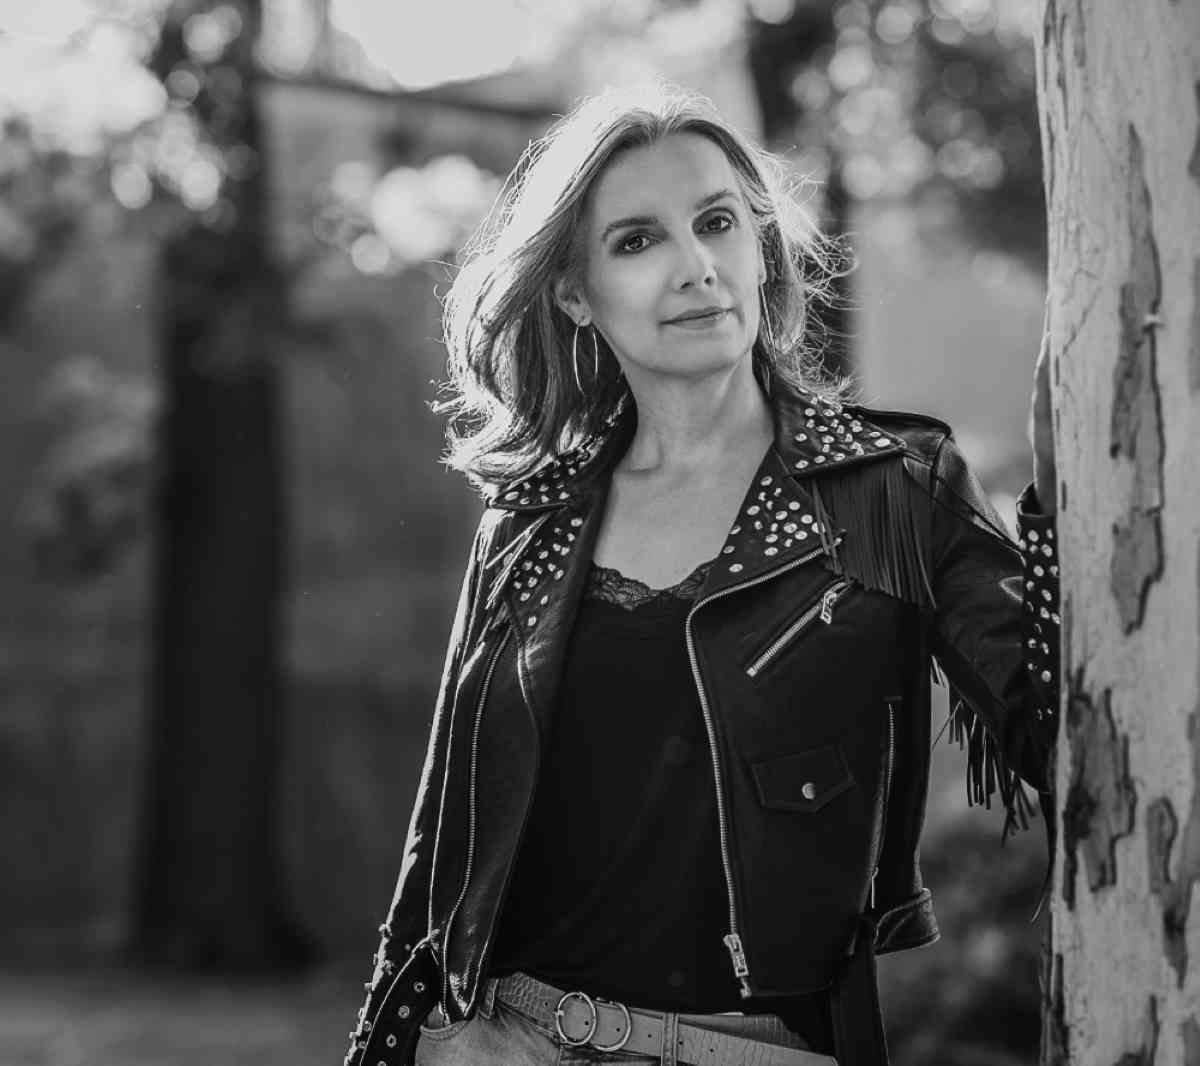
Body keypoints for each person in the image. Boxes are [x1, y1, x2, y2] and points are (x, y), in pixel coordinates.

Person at [343, 83, 1060, 1066]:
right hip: (503, 1041)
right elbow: (442, 848)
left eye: (716, 222)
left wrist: (1060, 504)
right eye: (638, 241)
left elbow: (1059, 727)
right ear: (574, 294)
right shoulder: (529, 521)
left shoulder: (892, 491)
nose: (696, 266)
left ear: (759, 246)